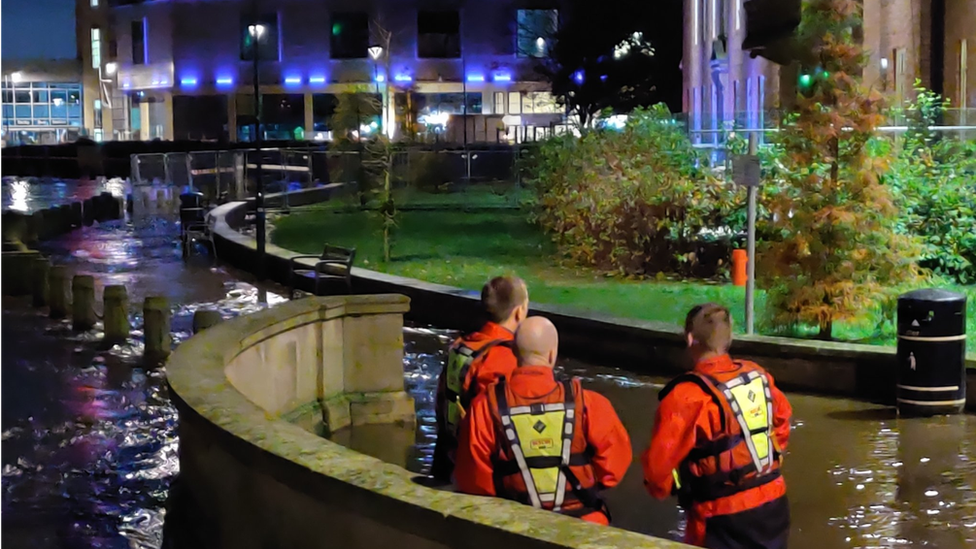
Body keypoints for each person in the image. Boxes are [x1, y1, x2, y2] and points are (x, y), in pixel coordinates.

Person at [455, 316, 632, 525]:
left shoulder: (484, 407)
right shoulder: (589, 403)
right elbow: (614, 468)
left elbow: (473, 480)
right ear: (552, 355)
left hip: (515, 527)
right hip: (585, 525)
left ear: (513, 351)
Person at [642, 303, 792, 548]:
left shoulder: (686, 396)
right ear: (729, 338)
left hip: (721, 515)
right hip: (774, 503)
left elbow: (658, 470)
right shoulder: (757, 375)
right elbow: (783, 419)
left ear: (690, 339)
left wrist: (672, 488)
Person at [430, 276, 529, 482]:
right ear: (520, 312)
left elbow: (441, 401)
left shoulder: (460, 346)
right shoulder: (504, 358)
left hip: (446, 460)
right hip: (482, 472)